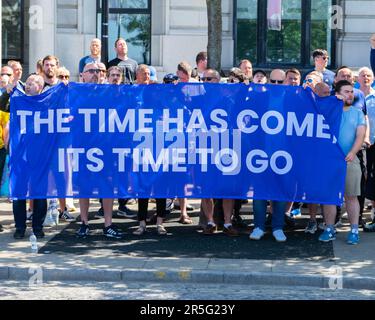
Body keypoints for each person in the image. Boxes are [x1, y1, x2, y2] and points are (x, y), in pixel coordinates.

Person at [76, 63, 124, 239]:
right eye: (92, 71)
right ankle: (84, 223)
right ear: (83, 75)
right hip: (84, 146)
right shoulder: (77, 94)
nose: (96, 74)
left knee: (108, 185)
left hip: (106, 147)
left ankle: (108, 224)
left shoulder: (108, 93)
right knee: (84, 186)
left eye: (99, 71)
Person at [319, 80, 366, 245]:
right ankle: (329, 228)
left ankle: (354, 230)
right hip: (329, 162)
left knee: (351, 197)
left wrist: (353, 153)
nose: (350, 95)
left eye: (352, 91)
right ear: (337, 93)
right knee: (329, 198)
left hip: (350, 160)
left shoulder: (358, 112)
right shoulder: (329, 111)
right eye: (346, 91)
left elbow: (360, 136)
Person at [200, 69, 239, 237]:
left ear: (218, 80)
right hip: (206, 147)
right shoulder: (198, 100)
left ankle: (228, 223)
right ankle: (209, 222)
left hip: (227, 148)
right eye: (204, 79)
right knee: (206, 188)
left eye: (210, 78)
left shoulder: (228, 99)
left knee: (227, 188)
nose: (207, 81)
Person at [12, 74, 47, 239]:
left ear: (40, 87)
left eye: (32, 83)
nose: (28, 85)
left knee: (39, 193)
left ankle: (38, 227)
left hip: (40, 156)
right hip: (21, 155)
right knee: (19, 193)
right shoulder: (18, 102)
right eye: (27, 82)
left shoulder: (47, 104)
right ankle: (20, 228)